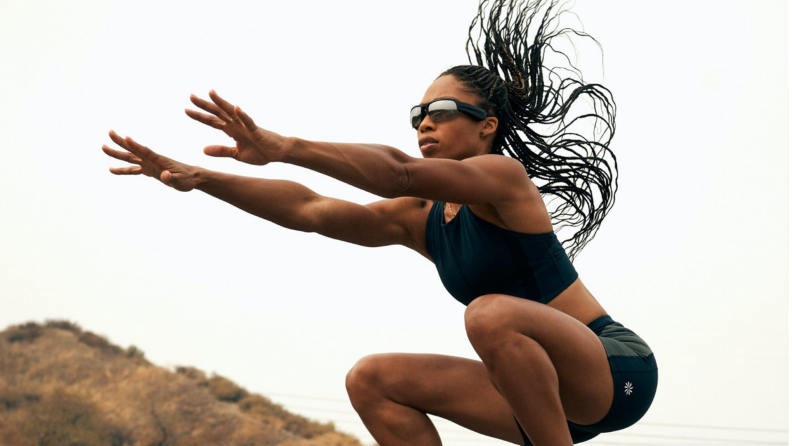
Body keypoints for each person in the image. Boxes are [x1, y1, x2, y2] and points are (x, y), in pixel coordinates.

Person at [102, 1, 657, 445]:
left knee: (489, 314)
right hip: (536, 401)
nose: (424, 124)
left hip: (608, 371)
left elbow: (401, 174)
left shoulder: (504, 181)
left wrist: (285, 146)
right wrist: (205, 180)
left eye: (440, 112)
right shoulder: (421, 221)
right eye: (417, 116)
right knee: (371, 380)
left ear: (486, 127)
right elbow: (309, 210)